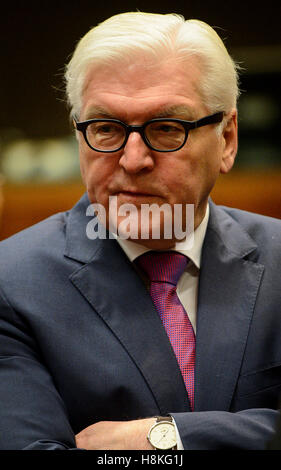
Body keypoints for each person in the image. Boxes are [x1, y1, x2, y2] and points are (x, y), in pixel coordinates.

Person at [0, 11, 280, 451]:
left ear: (226, 140)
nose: (133, 160)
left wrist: (164, 439)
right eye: (106, 129)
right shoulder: (11, 283)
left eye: (167, 129)